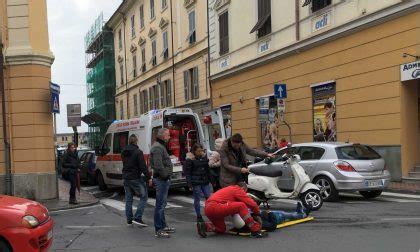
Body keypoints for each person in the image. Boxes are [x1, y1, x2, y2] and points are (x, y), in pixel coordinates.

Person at [197, 182, 267, 238]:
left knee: (221, 229)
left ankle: (204, 226)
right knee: (241, 205)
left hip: (208, 209)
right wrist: (257, 213)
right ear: (243, 188)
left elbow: (231, 208)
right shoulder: (237, 189)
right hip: (215, 206)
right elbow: (251, 203)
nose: (245, 194)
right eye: (245, 192)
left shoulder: (229, 189)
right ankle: (255, 230)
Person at [150, 128, 175, 238]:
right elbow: (158, 166)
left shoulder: (160, 146)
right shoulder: (157, 147)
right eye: (168, 135)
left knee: (162, 204)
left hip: (163, 179)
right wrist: (165, 175)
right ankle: (158, 229)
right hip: (161, 180)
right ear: (162, 136)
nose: (169, 137)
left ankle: (163, 225)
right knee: (159, 205)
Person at [121, 134, 151, 227]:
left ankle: (129, 220)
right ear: (136, 141)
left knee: (129, 199)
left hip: (126, 178)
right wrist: (148, 177)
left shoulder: (123, 152)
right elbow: (142, 166)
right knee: (144, 196)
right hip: (135, 178)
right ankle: (138, 218)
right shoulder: (138, 152)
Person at [231, 202, 311, 232]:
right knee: (289, 215)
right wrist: (270, 214)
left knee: (289, 214)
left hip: (271, 214)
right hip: (277, 217)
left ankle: (299, 212)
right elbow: (273, 226)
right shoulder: (260, 223)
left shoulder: (249, 219)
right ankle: (303, 215)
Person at [184, 143, 212, 222]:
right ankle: (199, 215)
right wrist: (189, 184)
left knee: (208, 197)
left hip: (205, 181)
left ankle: (210, 213)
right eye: (198, 151)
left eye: (201, 151)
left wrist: (212, 180)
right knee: (197, 198)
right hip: (196, 182)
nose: (200, 152)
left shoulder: (204, 158)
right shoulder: (190, 160)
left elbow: (208, 170)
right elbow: (188, 173)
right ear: (194, 151)